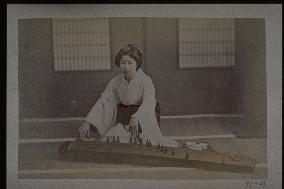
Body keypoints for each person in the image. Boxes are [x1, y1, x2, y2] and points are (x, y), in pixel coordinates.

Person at [78, 44, 178, 147]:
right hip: (124, 121)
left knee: (147, 145)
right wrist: (89, 122)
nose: (126, 67)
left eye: (130, 63)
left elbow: (148, 103)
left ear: (137, 63)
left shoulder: (146, 81)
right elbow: (105, 101)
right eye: (123, 63)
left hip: (144, 122)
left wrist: (137, 117)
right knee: (108, 140)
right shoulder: (116, 82)